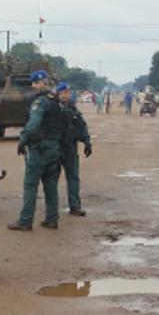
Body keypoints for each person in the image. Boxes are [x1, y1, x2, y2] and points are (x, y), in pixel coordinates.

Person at [8, 70, 65, 231]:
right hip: (54, 149)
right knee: (51, 186)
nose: (33, 86)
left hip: (40, 149)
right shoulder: (56, 101)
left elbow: (33, 124)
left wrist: (23, 139)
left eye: (35, 82)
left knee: (30, 185)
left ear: (42, 82)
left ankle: (25, 221)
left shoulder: (40, 102)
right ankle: (52, 219)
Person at [56, 83, 93, 216]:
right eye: (63, 92)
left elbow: (82, 126)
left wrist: (87, 142)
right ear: (58, 93)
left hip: (70, 147)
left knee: (73, 177)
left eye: (67, 92)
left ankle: (75, 206)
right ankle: (52, 209)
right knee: (52, 179)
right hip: (55, 148)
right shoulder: (52, 108)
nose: (65, 95)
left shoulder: (73, 109)